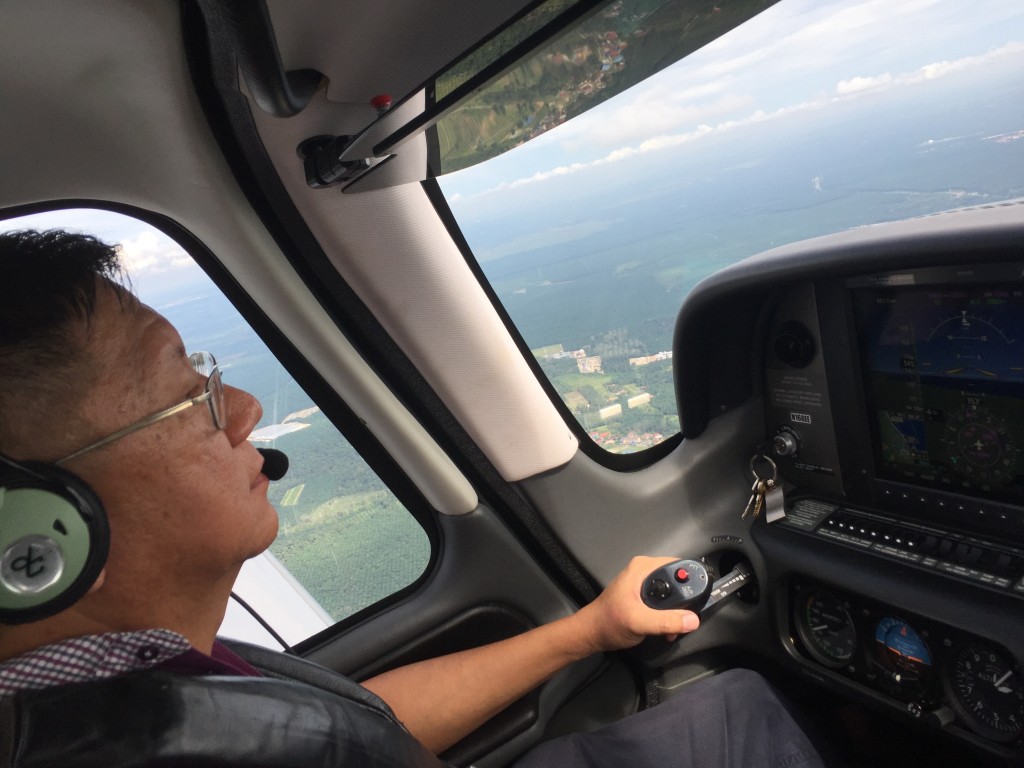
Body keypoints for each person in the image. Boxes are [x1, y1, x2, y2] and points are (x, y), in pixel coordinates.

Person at [0, 230, 824, 767]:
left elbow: (338, 726)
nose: (244, 411)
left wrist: (586, 631)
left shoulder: (111, 685)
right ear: (33, 542)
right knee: (741, 722)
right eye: (190, 399)